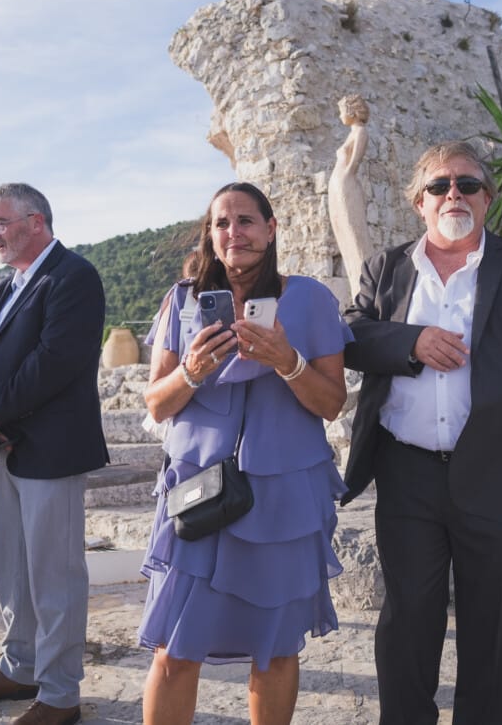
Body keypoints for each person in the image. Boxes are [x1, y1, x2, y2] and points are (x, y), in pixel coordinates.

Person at [341, 141, 502, 725]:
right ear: (419, 202)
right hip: (406, 473)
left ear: (488, 199)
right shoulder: (387, 269)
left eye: (466, 184)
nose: (452, 194)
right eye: (439, 186)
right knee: (407, 623)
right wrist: (409, 341)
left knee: (495, 631)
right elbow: (352, 335)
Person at [138, 182, 352, 725]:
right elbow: (157, 403)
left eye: (247, 221)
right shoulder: (183, 300)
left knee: (276, 648)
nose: (235, 232)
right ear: (211, 235)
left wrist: (288, 361)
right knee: (175, 648)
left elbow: (331, 403)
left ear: (271, 228)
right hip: (197, 497)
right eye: (222, 223)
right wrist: (192, 371)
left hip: (284, 498)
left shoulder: (310, 298)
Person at [0, 183, 107, 725]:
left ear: (35, 222)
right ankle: (19, 667)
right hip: (5, 449)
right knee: (12, 569)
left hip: (51, 449)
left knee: (54, 576)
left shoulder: (73, 277)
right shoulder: (3, 287)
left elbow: (55, 361)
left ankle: (60, 695)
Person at [327, 94, 373, 300]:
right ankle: (357, 288)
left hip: (346, 184)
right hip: (338, 185)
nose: (339, 115)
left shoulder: (360, 132)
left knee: (355, 235)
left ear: (352, 110)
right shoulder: (353, 133)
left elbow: (353, 164)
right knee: (343, 233)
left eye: (341, 110)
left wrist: (344, 178)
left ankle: (365, 289)